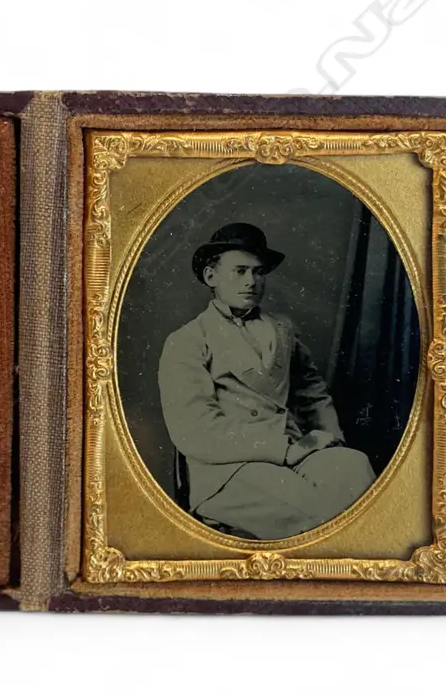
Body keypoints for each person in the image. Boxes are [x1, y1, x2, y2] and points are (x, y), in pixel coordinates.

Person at [157, 222, 375, 540]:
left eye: (258, 272)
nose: (251, 281)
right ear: (211, 276)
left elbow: (312, 393)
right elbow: (195, 430)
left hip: (294, 452)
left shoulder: (282, 330)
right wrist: (283, 450)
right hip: (228, 468)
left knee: (355, 469)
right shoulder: (187, 340)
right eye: (240, 271)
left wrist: (329, 440)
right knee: (320, 515)